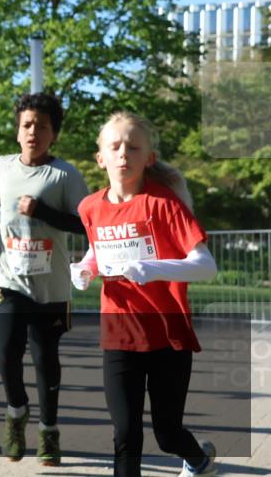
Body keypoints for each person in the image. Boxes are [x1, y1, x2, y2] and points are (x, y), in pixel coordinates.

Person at [72, 112, 217, 477]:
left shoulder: (164, 203)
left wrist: (152, 270)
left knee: (167, 435)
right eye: (115, 146)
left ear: (149, 158)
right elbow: (98, 248)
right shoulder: (89, 207)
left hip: (167, 336)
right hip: (119, 334)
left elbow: (205, 266)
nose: (124, 154)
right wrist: (85, 267)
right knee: (125, 433)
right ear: (100, 157)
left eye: (133, 147)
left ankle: (198, 459)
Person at [0, 93, 89, 466]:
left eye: (42, 126)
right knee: (6, 350)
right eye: (27, 125)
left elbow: (84, 224)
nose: (33, 132)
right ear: (17, 130)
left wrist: (42, 211)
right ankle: (15, 412)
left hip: (50, 285)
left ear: (54, 133)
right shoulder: (2, 166)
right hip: (9, 277)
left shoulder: (65, 175)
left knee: (45, 359)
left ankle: (49, 431)